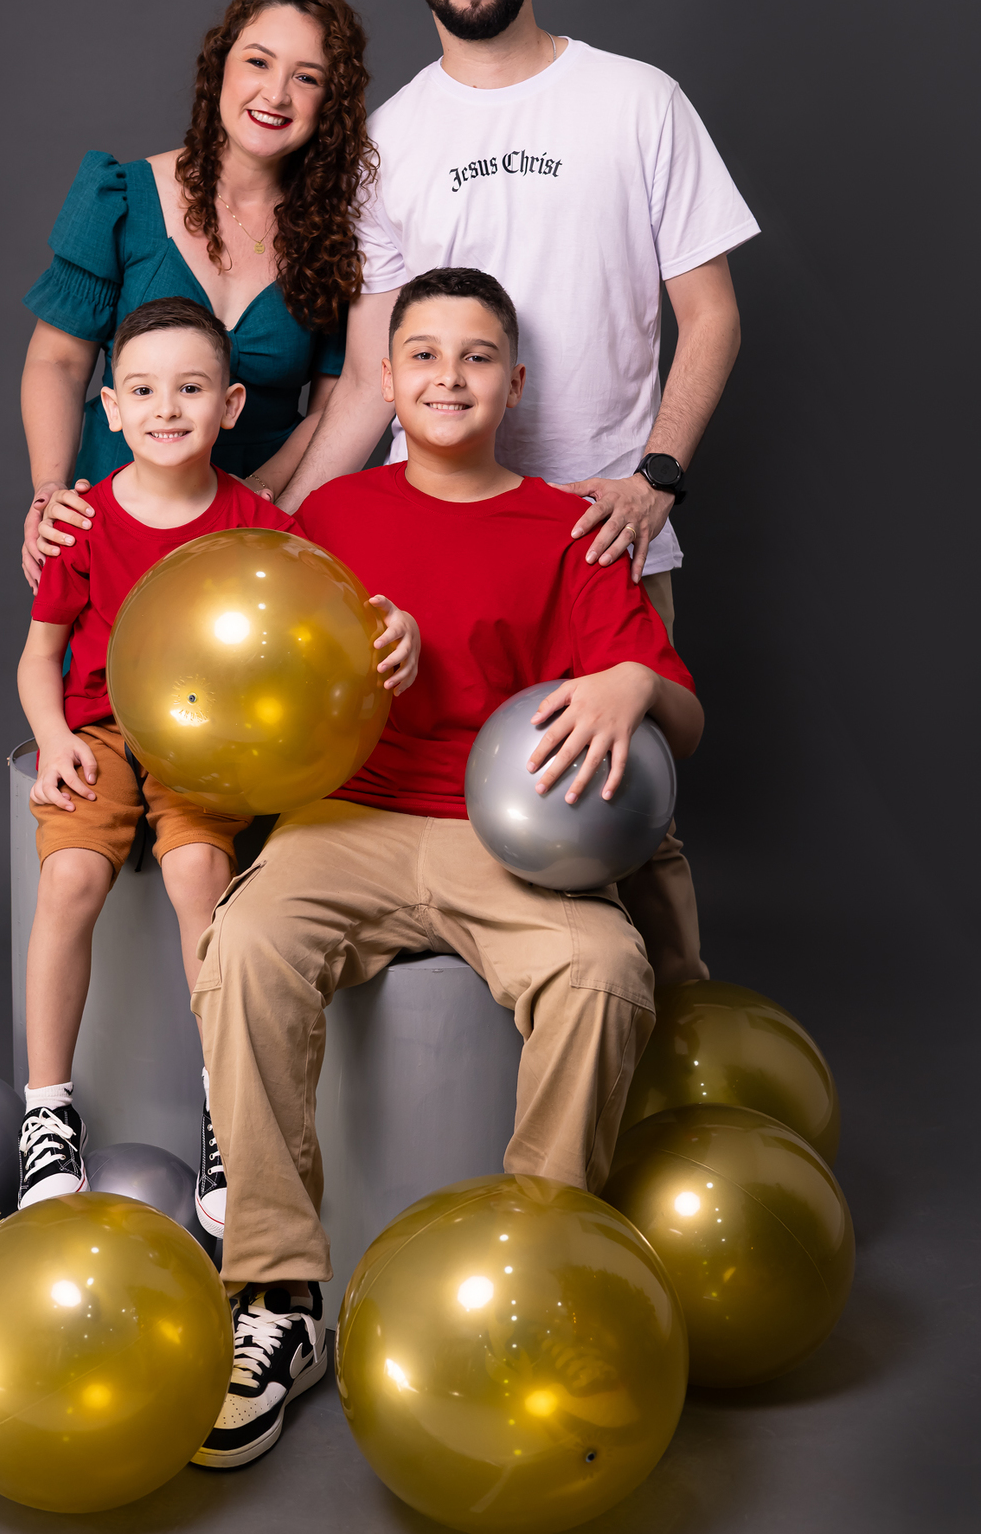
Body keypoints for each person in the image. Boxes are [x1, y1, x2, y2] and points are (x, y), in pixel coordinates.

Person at [190, 268, 703, 1469]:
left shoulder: (570, 528)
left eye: (476, 358)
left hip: (507, 842)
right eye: (422, 355)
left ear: (514, 385)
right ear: (386, 380)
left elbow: (682, 721)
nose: (448, 378)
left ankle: (536, 1266)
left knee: (602, 970)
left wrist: (637, 681)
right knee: (245, 943)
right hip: (346, 819)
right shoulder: (333, 519)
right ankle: (277, 1296)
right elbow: (259, 676)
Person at [273, 0, 759, 988]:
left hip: (603, 534)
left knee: (626, 829)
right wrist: (268, 530)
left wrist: (657, 477)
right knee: (415, 816)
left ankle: (671, 1052)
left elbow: (712, 316)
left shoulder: (638, 101)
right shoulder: (389, 142)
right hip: (435, 548)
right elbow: (367, 379)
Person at [16, 296, 417, 1219]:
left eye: (191, 389)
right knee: (70, 879)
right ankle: (46, 1111)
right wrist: (54, 736)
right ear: (110, 408)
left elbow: (329, 620)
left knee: (200, 873)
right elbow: (39, 658)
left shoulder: (257, 527)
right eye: (143, 391)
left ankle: (223, 1103)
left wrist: (393, 624)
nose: (166, 408)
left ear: (231, 405)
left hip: (207, 742)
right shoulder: (83, 523)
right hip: (99, 731)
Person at [19, 0, 376, 590]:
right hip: (114, 528)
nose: (276, 94)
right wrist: (50, 491)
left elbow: (333, 405)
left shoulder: (338, 235)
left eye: (307, 77)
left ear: (330, 103)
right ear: (221, 66)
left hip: (260, 539)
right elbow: (57, 361)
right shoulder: (119, 197)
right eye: (258, 61)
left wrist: (259, 501)